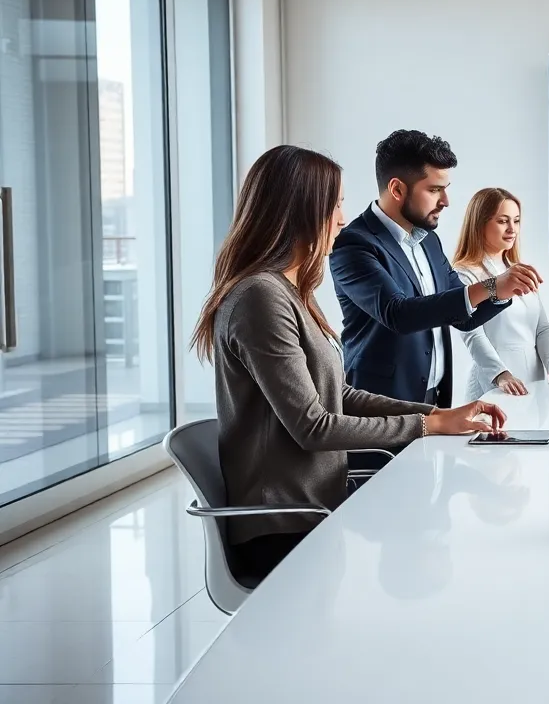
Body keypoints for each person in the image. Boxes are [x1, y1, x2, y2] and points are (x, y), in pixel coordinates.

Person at [189, 145, 508, 584]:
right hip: (287, 528)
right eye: (336, 204)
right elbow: (314, 426)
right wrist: (428, 427)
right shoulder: (261, 298)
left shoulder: (289, 292)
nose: (343, 217)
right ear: (301, 211)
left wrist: (437, 415)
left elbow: (340, 395)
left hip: (320, 512)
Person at [329, 130, 542, 409]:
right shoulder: (354, 244)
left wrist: (502, 293)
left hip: (434, 400)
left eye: (445, 188)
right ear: (397, 189)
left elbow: (462, 317)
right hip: (379, 403)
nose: (446, 201)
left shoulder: (429, 241)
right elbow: (399, 314)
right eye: (434, 190)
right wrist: (491, 286)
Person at [453, 187, 549, 399]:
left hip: (533, 382)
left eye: (516, 221)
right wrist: (501, 374)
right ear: (480, 223)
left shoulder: (519, 270)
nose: (512, 229)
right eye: (503, 221)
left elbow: (542, 328)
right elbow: (472, 333)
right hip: (494, 382)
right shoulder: (464, 274)